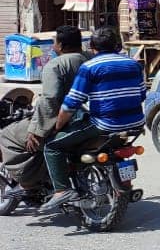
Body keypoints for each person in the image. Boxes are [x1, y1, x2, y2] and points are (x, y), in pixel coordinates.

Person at [39, 27, 146, 213]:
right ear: (117, 45)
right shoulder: (134, 64)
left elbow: (71, 104)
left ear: (92, 47)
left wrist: (58, 126)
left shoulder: (89, 67)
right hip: (135, 123)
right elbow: (141, 94)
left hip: (105, 125)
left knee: (52, 146)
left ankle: (62, 190)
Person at [0, 26, 90, 201]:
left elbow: (50, 99)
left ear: (61, 45)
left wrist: (37, 130)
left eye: (54, 42)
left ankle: (28, 183)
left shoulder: (56, 65)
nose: (53, 46)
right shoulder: (89, 59)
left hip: (64, 118)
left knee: (8, 136)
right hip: (86, 117)